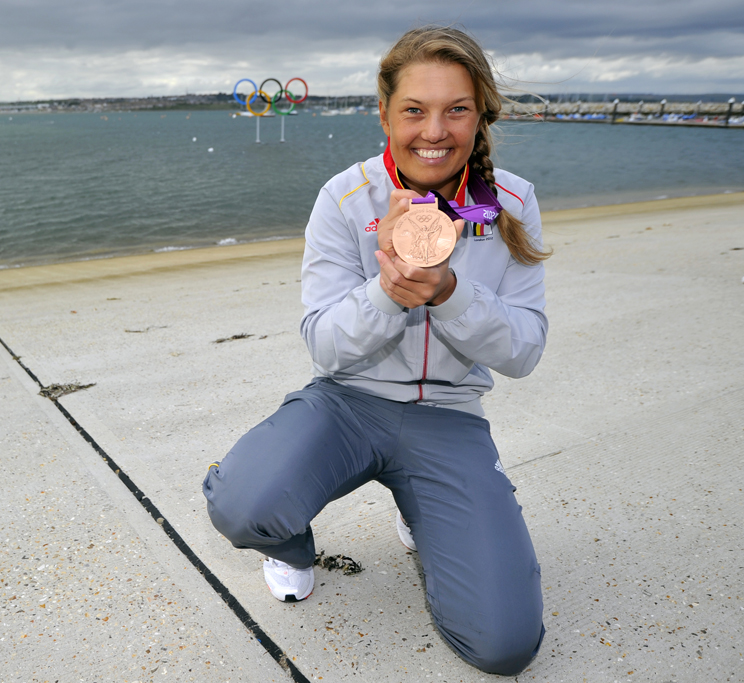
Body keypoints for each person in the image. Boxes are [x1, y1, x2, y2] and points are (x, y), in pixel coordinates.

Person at [203, 25, 551, 677]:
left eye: (457, 109)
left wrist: (447, 289)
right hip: (347, 402)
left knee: (506, 646)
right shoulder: (343, 197)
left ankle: (425, 511)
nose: (435, 131)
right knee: (242, 503)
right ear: (385, 112)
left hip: (448, 417)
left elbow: (525, 349)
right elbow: (326, 347)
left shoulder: (513, 202)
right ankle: (292, 543)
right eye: (414, 109)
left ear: (481, 116)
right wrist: (388, 289)